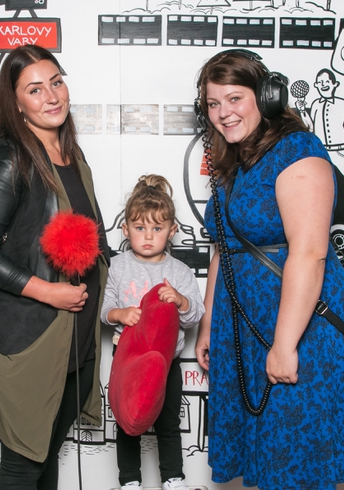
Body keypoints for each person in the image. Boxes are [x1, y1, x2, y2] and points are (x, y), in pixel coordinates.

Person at [193, 49, 344, 490]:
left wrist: (284, 345)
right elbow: (225, 249)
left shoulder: (297, 151)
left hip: (299, 329)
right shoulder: (235, 159)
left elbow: (311, 253)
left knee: (297, 464)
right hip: (245, 330)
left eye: (234, 99)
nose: (223, 113)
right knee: (267, 463)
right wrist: (208, 324)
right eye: (213, 104)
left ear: (267, 96)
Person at [0, 44, 109, 490]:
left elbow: (95, 244)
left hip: (75, 337)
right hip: (32, 336)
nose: (52, 96)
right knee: (24, 464)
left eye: (56, 82)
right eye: (35, 89)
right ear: (16, 103)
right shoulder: (13, 157)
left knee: (46, 458)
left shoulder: (73, 158)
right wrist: (49, 292)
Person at [101, 174, 204, 490]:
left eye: (157, 229)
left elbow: (195, 316)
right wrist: (121, 314)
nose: (148, 236)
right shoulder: (117, 267)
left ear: (172, 231)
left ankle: (173, 477)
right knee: (126, 420)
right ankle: (129, 480)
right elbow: (104, 310)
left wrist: (181, 300)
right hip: (128, 358)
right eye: (139, 228)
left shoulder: (179, 271)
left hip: (166, 361)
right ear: (125, 229)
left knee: (168, 422)